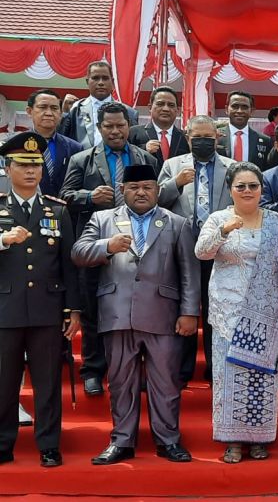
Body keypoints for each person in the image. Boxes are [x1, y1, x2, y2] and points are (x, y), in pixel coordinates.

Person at [72, 164, 200, 465]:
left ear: (158, 190)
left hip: (164, 315)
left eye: (147, 187)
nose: (141, 192)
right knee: (119, 381)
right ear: (122, 190)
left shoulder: (177, 223)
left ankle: (168, 440)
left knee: (166, 382)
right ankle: (122, 440)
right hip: (117, 313)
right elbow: (78, 252)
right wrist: (107, 246)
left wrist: (190, 312)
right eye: (133, 187)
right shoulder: (102, 219)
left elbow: (189, 275)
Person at [195, 161, 278, 464]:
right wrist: (224, 231)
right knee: (230, 376)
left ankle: (259, 439)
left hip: (267, 312)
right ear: (230, 189)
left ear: (261, 189)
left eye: (253, 186)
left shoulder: (277, 222)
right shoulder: (218, 219)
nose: (247, 191)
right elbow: (202, 252)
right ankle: (232, 441)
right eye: (240, 186)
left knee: (262, 378)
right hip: (229, 313)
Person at [60, 102, 158, 396]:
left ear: (129, 126)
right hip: (96, 244)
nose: (115, 131)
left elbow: (155, 196)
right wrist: (90, 197)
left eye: (121, 126)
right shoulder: (82, 159)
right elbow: (65, 196)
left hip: (138, 244)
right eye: (109, 126)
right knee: (92, 309)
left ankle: (137, 368)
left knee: (136, 309)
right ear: (99, 128)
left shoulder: (145, 158)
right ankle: (93, 369)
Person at [0, 132, 81, 468]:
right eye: (23, 164)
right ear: (7, 168)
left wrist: (73, 308)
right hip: (5, 310)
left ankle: (49, 443)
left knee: (48, 383)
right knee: (4, 383)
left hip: (48, 309)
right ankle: (4, 443)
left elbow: (68, 263)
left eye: (35, 164)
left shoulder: (57, 210)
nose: (30, 171)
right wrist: (3, 240)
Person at [158, 114, 235, 385]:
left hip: (221, 248)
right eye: (196, 137)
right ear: (188, 137)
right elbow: (156, 200)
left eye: (208, 137)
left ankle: (217, 369)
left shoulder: (232, 166)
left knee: (217, 310)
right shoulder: (171, 165)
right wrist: (176, 182)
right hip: (183, 248)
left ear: (217, 137)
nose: (202, 142)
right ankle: (182, 370)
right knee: (185, 308)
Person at [59, 61, 139, 150]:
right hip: (82, 162)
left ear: (112, 82)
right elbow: (61, 140)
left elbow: (134, 145)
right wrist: (64, 114)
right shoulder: (75, 109)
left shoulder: (129, 112)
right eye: (95, 78)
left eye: (105, 78)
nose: (100, 83)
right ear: (87, 81)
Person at [26, 89, 82, 197]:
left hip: (64, 210)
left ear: (60, 113)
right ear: (29, 111)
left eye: (54, 108)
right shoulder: (16, 145)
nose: (48, 113)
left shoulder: (75, 148)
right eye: (42, 107)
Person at [128, 86, 190, 172]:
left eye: (171, 105)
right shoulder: (133, 132)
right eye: (160, 104)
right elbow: (125, 157)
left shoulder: (185, 137)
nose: (166, 109)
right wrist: (144, 149)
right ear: (150, 107)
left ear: (177, 110)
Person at [216, 91, 274, 172]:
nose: (239, 111)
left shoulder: (265, 141)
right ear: (226, 109)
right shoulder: (215, 137)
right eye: (235, 106)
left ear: (252, 111)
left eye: (244, 107)